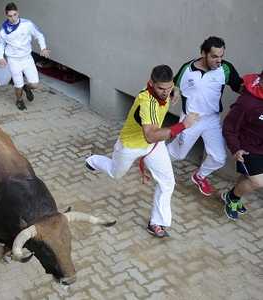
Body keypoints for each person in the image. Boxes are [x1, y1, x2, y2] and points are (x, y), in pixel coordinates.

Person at [85, 65, 199, 237]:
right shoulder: (147, 103)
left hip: (154, 147)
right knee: (115, 173)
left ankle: (156, 223)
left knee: (167, 183)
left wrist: (174, 90)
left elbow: (171, 90)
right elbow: (150, 136)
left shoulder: (167, 91)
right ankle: (92, 160)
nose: (165, 92)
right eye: (161, 88)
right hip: (131, 145)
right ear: (151, 84)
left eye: (168, 88)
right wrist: (183, 125)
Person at [167, 36, 243, 196]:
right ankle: (155, 161)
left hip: (212, 120)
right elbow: (174, 85)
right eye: (214, 56)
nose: (219, 60)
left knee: (219, 158)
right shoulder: (187, 69)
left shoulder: (226, 69)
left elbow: (239, 86)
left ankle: (199, 176)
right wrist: (175, 92)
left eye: (221, 56)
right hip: (190, 120)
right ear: (203, 53)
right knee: (177, 154)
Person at [222, 70, 263, 220]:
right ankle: (232, 198)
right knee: (258, 182)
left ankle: (233, 197)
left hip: (261, 148)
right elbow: (229, 126)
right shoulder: (248, 102)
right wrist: (235, 149)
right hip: (247, 149)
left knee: (248, 176)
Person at [0, 2, 50, 110]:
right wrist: (0, 57)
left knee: (35, 84)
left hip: (27, 58)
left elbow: (39, 35)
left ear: (18, 13)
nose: (13, 18)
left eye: (15, 15)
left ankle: (27, 88)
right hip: (13, 60)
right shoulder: (4, 30)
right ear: (6, 16)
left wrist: (43, 48)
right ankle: (19, 100)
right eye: (10, 16)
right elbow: (0, 44)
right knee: (18, 84)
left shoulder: (27, 24)